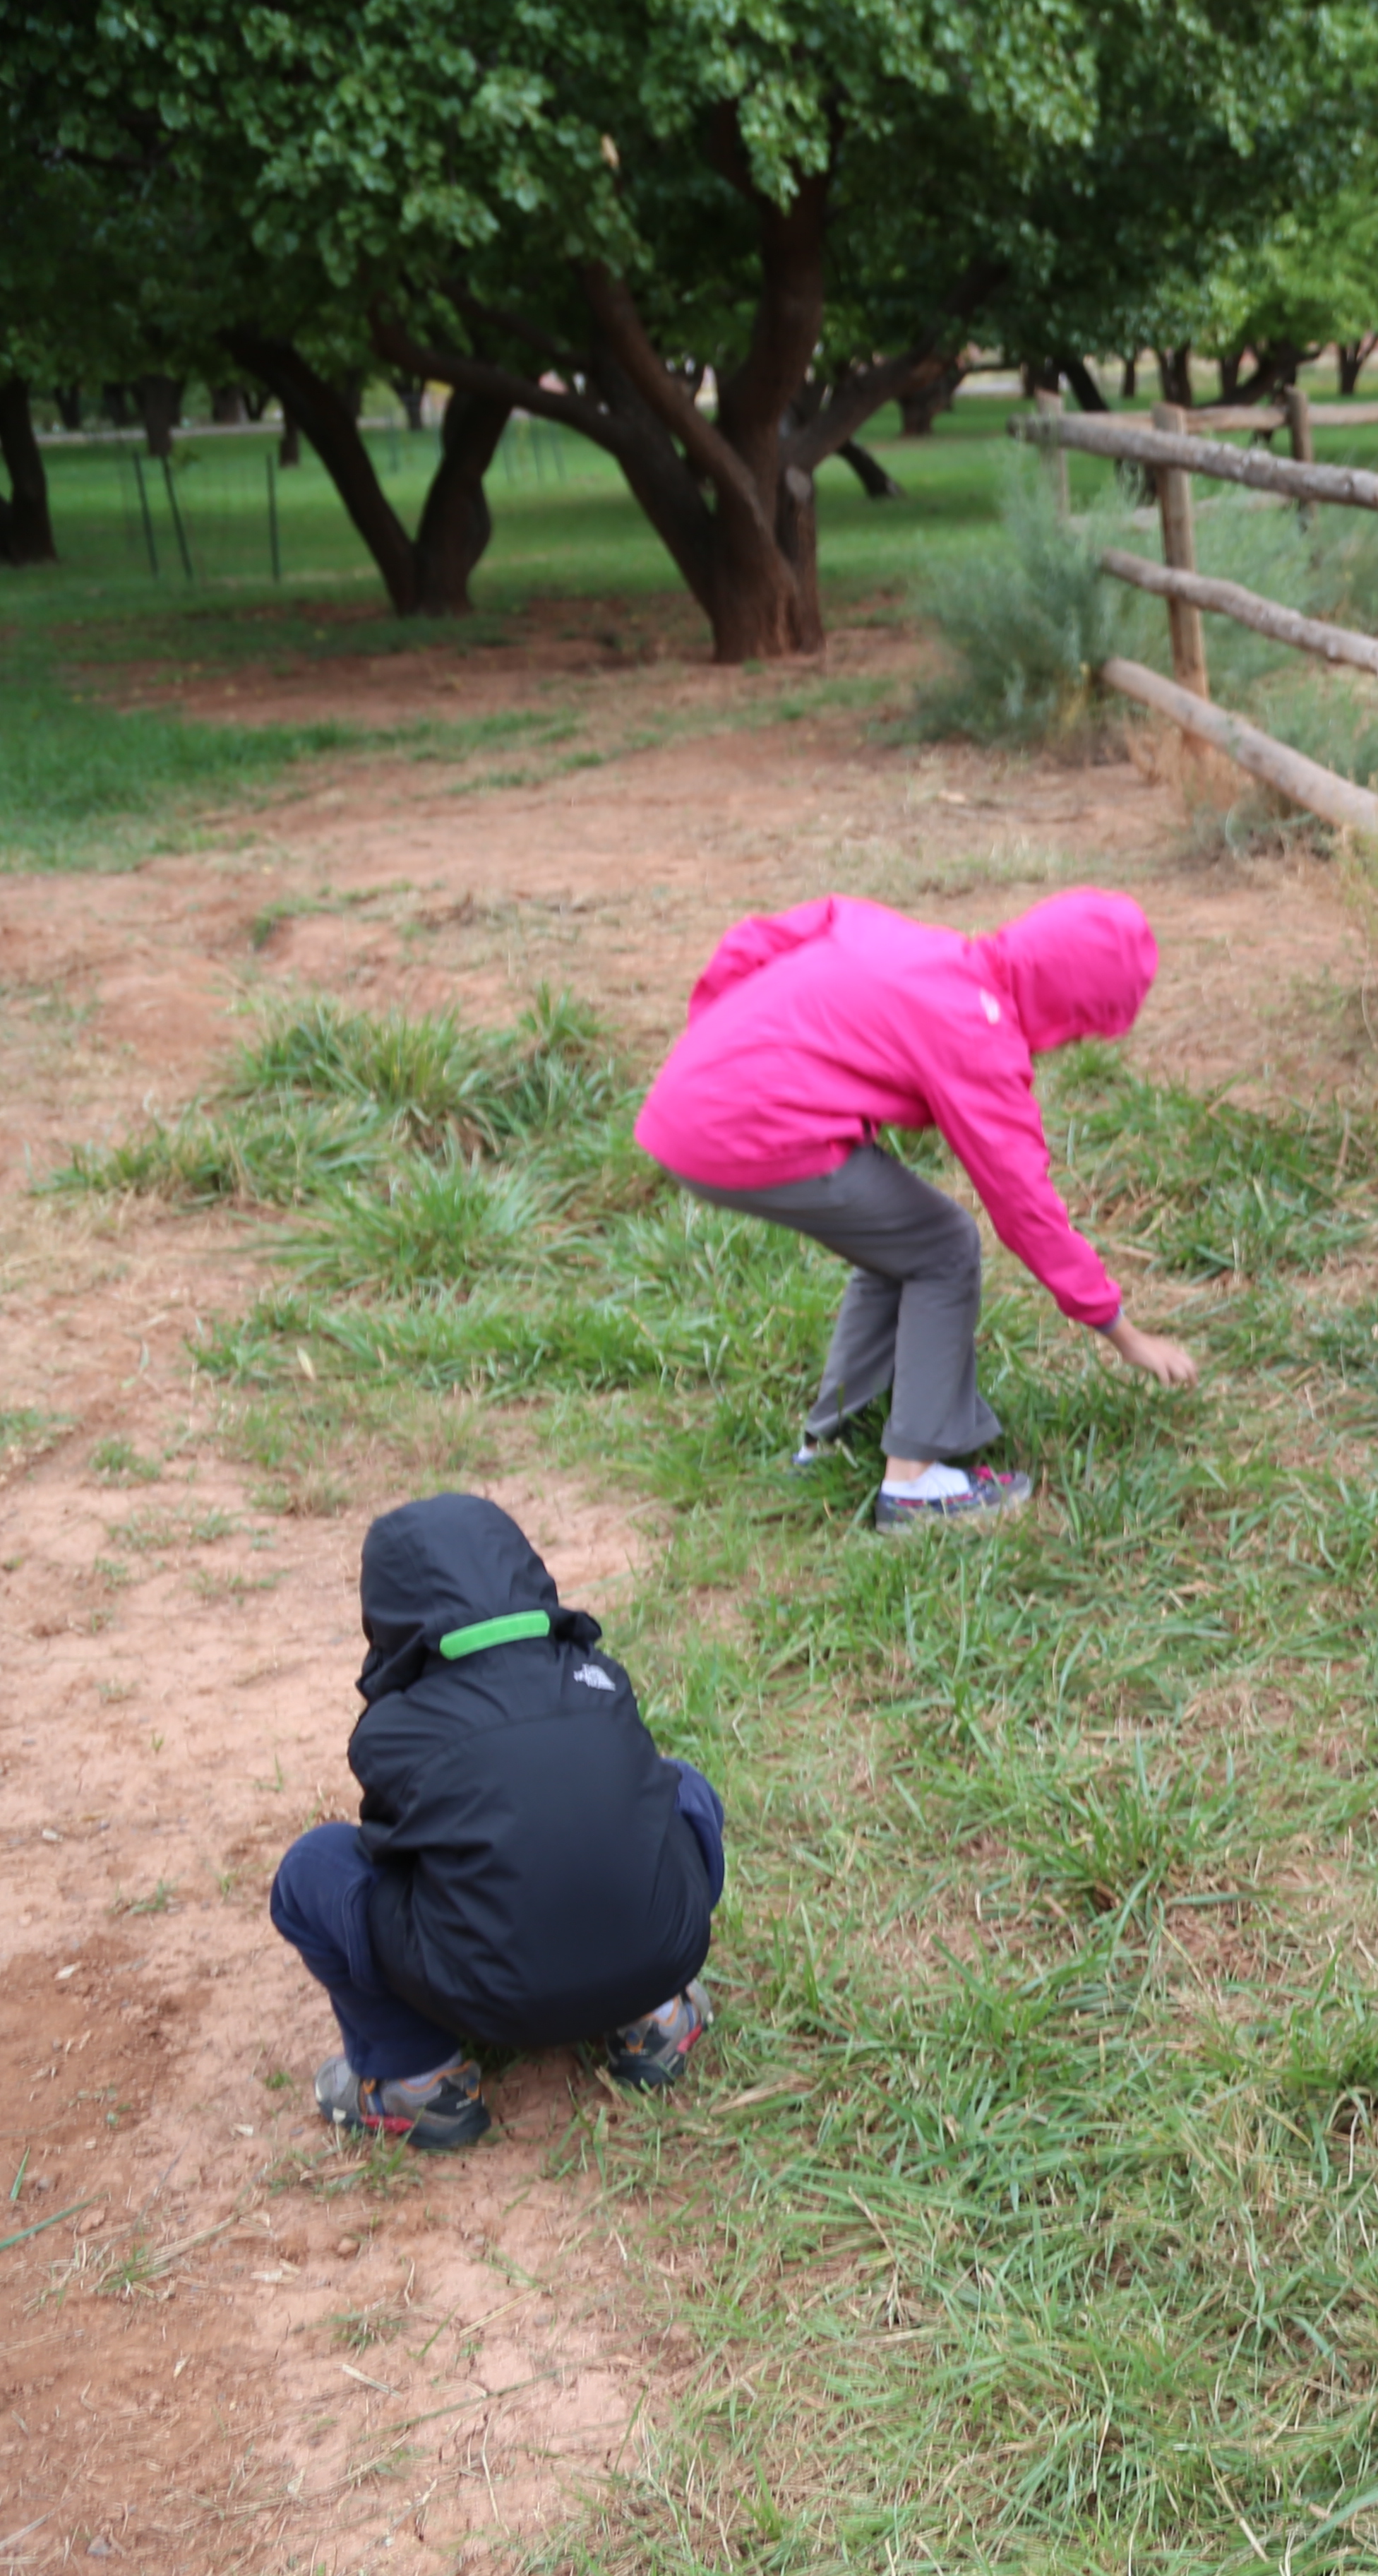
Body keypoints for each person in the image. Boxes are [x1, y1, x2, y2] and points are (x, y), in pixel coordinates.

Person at [634, 886, 1198, 1535]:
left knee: (898, 1242)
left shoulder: (907, 942)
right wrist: (1124, 1335)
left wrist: (720, 1043)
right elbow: (1027, 1209)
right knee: (943, 1246)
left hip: (685, 1100)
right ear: (1070, 1005)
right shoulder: (977, 1033)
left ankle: (838, 1436)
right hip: (745, 1134)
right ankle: (916, 1484)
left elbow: (754, 941)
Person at [268, 1494, 722, 2151]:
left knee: (316, 1866)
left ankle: (420, 2081)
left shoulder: (391, 1733)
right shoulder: (601, 1680)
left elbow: (395, 1857)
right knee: (682, 1787)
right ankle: (656, 2016)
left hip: (485, 1997)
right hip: (661, 1952)